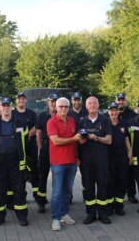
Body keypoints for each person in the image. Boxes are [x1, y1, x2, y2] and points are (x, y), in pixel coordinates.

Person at [0, 97, 29, 227]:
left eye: (7, 105)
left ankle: (21, 215)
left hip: (16, 160)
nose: (5, 108)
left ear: (11, 107)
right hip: (0, 161)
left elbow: (25, 141)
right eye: (3, 105)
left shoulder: (20, 123)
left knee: (19, 189)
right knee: (0, 190)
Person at [47, 97, 81, 231]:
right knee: (57, 192)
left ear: (69, 107)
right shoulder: (51, 122)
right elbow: (55, 141)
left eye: (66, 107)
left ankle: (64, 213)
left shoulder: (72, 121)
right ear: (56, 107)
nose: (63, 109)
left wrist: (77, 156)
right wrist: (73, 139)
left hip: (71, 162)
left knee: (68, 191)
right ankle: (55, 218)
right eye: (60, 106)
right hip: (58, 162)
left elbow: (76, 142)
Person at [78, 96, 112, 224]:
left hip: (101, 160)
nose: (92, 105)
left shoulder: (105, 120)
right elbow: (79, 142)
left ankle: (103, 214)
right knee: (88, 187)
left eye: (94, 103)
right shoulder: (82, 121)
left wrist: (96, 137)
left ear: (98, 105)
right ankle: (90, 214)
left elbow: (109, 140)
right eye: (89, 103)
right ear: (86, 106)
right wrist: (83, 138)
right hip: (86, 161)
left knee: (102, 186)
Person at [106, 102, 132, 216]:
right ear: (108, 112)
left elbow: (127, 139)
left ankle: (119, 206)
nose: (113, 113)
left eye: (115, 110)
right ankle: (110, 207)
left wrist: (130, 153)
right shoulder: (105, 123)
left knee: (122, 181)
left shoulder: (123, 123)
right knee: (110, 182)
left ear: (118, 112)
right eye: (111, 111)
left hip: (122, 158)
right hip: (109, 158)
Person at [13, 91, 39, 201]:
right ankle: (21, 197)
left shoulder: (32, 113)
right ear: (16, 101)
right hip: (17, 148)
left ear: (26, 100)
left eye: (23, 98)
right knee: (19, 173)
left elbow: (36, 126)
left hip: (31, 146)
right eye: (19, 98)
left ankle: (37, 196)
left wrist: (27, 135)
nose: (21, 100)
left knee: (34, 171)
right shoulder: (12, 113)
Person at [36, 93, 58, 213]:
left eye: (55, 101)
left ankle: (57, 200)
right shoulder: (42, 116)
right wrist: (39, 145)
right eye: (51, 101)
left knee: (58, 175)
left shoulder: (61, 114)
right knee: (43, 175)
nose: (53, 103)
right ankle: (41, 201)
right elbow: (38, 132)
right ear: (48, 103)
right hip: (45, 145)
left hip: (58, 146)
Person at [116, 92, 138, 204]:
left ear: (125, 101)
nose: (121, 102)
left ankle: (131, 194)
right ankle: (116, 195)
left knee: (130, 174)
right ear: (116, 100)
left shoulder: (132, 114)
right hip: (116, 149)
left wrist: (131, 151)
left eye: (122, 100)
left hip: (129, 146)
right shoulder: (112, 112)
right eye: (119, 100)